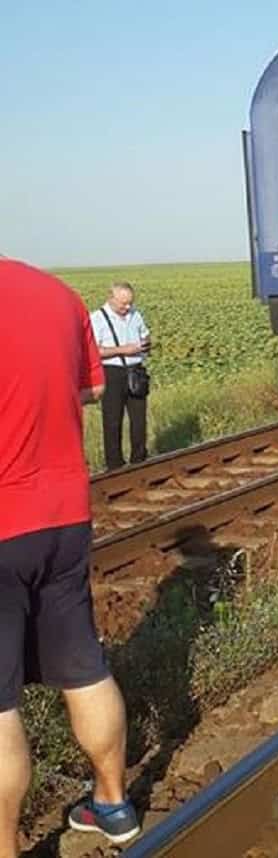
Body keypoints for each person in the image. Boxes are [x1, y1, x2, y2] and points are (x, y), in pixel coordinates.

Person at [1, 261, 140, 853]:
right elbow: (93, 387)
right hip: (63, 515)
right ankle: (113, 804)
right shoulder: (57, 294)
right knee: (84, 664)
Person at [90, 282, 151, 471]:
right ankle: (115, 465)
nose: (127, 307)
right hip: (111, 372)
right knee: (113, 420)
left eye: (129, 303)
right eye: (122, 304)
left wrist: (146, 344)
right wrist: (123, 350)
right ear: (111, 298)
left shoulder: (136, 314)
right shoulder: (97, 318)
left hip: (136, 370)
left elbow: (145, 335)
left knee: (139, 420)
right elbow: (93, 351)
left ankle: (139, 461)